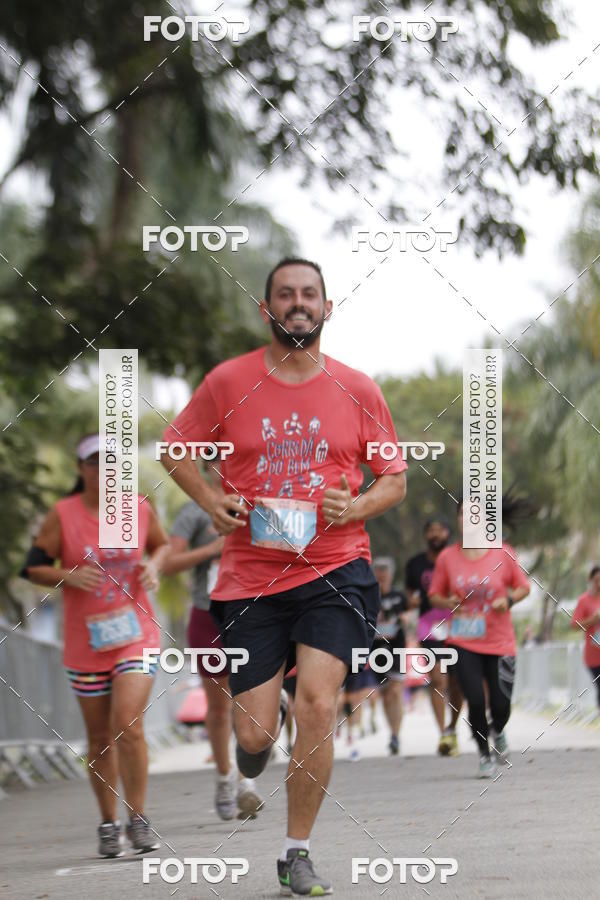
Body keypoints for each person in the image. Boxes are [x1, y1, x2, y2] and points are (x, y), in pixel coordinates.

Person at [160, 257, 407, 895]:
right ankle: (251, 756)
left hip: (335, 570)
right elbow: (175, 449)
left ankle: (296, 850)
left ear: (327, 308)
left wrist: (355, 506)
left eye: (309, 294)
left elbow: (395, 478)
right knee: (254, 734)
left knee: (319, 704)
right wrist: (212, 502)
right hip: (250, 580)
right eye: (285, 295)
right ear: (267, 309)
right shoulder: (227, 381)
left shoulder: (359, 388)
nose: (298, 303)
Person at [20, 434, 170, 856]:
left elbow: (160, 546)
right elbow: (31, 566)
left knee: (128, 723)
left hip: (135, 632)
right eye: (93, 463)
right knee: (99, 739)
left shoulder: (138, 509)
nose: (102, 470)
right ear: (80, 469)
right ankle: (109, 823)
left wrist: (153, 566)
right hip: (85, 642)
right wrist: (66, 575)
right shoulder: (63, 515)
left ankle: (138, 818)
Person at [163, 497, 263, 820]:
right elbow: (169, 563)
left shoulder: (259, 500)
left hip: (252, 612)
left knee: (250, 701)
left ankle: (247, 782)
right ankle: (224, 778)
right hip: (208, 615)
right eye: (214, 455)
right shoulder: (193, 511)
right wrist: (211, 550)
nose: (222, 461)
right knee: (219, 708)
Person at [429, 495, 531, 777]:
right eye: (463, 514)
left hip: (499, 640)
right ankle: (484, 753)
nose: (468, 518)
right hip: (463, 639)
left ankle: (497, 729)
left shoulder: (503, 553)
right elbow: (434, 595)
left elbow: (524, 588)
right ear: (459, 521)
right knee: (474, 699)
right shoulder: (448, 558)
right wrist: (447, 602)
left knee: (501, 705)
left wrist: (508, 601)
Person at [405, 519, 463, 755]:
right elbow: (409, 595)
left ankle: (452, 727)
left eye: (440, 530)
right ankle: (443, 734)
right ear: (426, 535)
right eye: (431, 531)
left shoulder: (457, 558)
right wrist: (414, 600)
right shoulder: (415, 564)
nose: (436, 534)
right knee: (438, 679)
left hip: (459, 623)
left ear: (448, 533)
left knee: (457, 682)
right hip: (428, 624)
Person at [370, 557, 408, 756]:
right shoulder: (368, 596)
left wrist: (405, 618)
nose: (382, 578)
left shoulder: (398, 596)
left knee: (395, 691)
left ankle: (395, 734)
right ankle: (391, 734)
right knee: (385, 695)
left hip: (397, 646)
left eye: (385, 575)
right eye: (379, 575)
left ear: (391, 576)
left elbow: (409, 614)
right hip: (376, 649)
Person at [571, 565, 600, 712]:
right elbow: (575, 625)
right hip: (594, 657)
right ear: (591, 581)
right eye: (596, 580)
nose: (598, 584)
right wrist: (592, 619)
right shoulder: (584, 600)